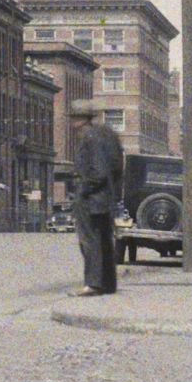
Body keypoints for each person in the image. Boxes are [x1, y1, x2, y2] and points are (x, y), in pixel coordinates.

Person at [69, 99, 123, 296]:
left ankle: (92, 284)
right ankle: (107, 284)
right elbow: (116, 166)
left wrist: (83, 189)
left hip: (91, 199)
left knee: (90, 241)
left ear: (79, 120)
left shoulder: (89, 138)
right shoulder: (105, 135)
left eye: (73, 119)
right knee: (104, 241)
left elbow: (98, 172)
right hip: (104, 198)